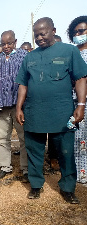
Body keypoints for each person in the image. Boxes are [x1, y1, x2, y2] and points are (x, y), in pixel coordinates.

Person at [16, 17, 87, 203]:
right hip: (34, 112)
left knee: (66, 152)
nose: (39, 37)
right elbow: (22, 84)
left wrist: (80, 105)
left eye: (43, 33)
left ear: (53, 30)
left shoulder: (69, 51)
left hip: (62, 113)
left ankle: (68, 188)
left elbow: (80, 79)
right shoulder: (29, 56)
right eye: (36, 35)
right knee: (34, 152)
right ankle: (36, 185)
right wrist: (19, 108)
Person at [0, 30, 28, 181]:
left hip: (19, 106)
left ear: (15, 42)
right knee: (2, 138)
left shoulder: (24, 56)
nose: (6, 46)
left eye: (9, 43)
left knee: (23, 137)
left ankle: (25, 168)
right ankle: (5, 167)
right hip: (1, 105)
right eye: (3, 44)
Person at [67, 15, 87, 184]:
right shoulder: (72, 54)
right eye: (75, 32)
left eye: (81, 31)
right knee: (77, 138)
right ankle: (80, 174)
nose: (78, 34)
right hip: (75, 103)